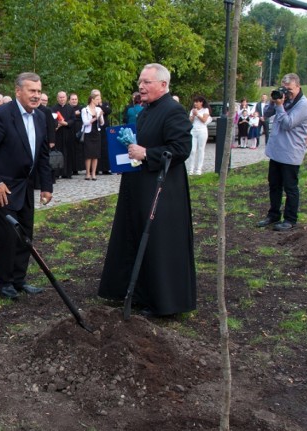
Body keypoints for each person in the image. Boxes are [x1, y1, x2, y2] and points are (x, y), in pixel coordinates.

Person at [98, 63, 196, 317]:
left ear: (163, 85)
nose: (141, 86)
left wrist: (147, 153)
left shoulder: (173, 111)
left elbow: (181, 149)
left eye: (147, 82)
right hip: (139, 185)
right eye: (140, 81)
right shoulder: (145, 110)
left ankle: (162, 301)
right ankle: (137, 291)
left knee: (157, 243)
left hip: (162, 189)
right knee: (135, 235)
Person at [0, 72, 53, 300]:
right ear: (18, 91)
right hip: (4, 188)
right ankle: (5, 283)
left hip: (26, 186)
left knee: (26, 235)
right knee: (8, 236)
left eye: (39, 91)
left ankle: (19, 279)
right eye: (31, 91)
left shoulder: (40, 117)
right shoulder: (2, 115)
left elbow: (42, 155)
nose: (36, 95)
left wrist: (46, 186)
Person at [256, 73, 307, 232]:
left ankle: (290, 219)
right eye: (285, 89)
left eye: (290, 89)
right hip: (277, 151)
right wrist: (275, 101)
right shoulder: (284, 100)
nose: (287, 92)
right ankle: (273, 214)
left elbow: (288, 124)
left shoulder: (304, 104)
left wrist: (280, 106)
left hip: (291, 152)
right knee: (274, 185)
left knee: (290, 187)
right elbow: (266, 114)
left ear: (298, 87)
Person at [81, 89, 105, 181]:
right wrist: (96, 117)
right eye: (97, 99)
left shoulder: (99, 109)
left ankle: (94, 173)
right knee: (88, 154)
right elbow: (86, 122)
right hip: (88, 133)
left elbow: (102, 123)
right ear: (92, 99)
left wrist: (100, 117)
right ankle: (87, 173)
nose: (99, 101)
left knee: (95, 154)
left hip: (96, 133)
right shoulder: (85, 110)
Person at [51, 91, 76, 178]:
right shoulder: (53, 108)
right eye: (60, 97)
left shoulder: (70, 108)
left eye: (63, 97)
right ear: (57, 98)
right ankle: (57, 173)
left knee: (68, 153)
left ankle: (67, 173)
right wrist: (58, 124)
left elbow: (73, 120)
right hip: (57, 134)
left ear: (66, 98)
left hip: (68, 134)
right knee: (58, 153)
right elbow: (52, 119)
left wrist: (65, 123)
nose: (62, 99)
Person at [186, 95, 210, 175]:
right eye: (194, 102)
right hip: (193, 131)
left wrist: (197, 114)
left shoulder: (205, 110)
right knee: (192, 150)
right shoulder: (192, 110)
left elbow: (204, 120)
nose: (195, 103)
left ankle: (199, 169)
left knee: (201, 149)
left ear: (201, 102)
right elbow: (190, 121)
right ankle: (191, 169)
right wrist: (193, 115)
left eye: (197, 102)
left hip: (202, 131)